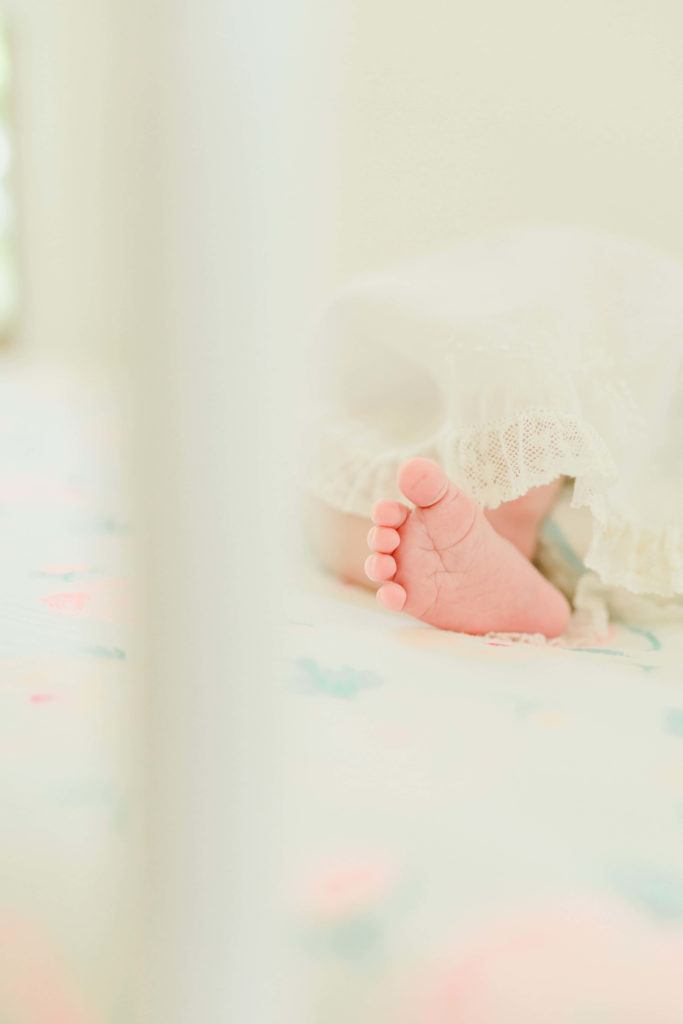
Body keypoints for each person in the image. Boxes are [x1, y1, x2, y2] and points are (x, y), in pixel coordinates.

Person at [307, 226, 683, 637]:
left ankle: (508, 540)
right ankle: (516, 576)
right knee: (359, 521)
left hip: (611, 474)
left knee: (332, 509)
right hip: (637, 530)